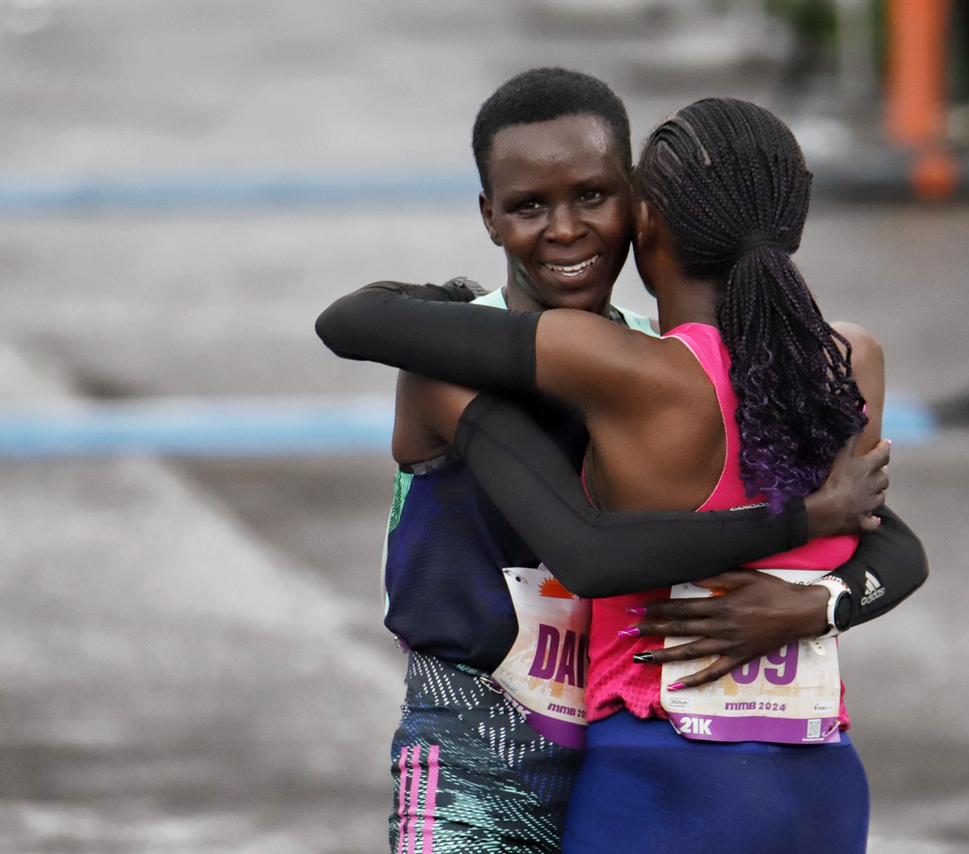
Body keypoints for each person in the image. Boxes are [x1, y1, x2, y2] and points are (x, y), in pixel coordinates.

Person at [319, 94, 923, 852]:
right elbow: (595, 548)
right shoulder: (457, 362)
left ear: (641, 214)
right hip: (485, 760)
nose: (567, 228)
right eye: (531, 205)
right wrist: (441, 302)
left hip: (628, 756)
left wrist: (820, 602)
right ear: (490, 216)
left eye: (594, 196)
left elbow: (887, 537)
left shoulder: (643, 362)